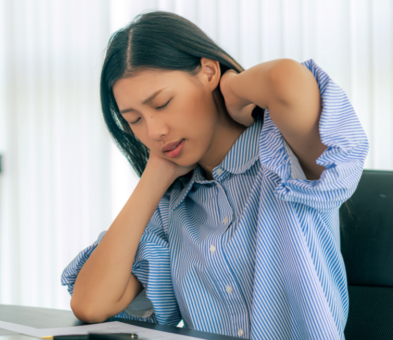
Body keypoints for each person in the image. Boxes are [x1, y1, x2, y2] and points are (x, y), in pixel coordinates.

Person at [61, 11, 368, 340]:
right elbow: (91, 304)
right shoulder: (174, 206)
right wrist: (155, 174)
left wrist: (233, 87)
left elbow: (286, 79)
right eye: (135, 119)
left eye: (163, 103)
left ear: (207, 72)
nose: (154, 131)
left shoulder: (285, 159)